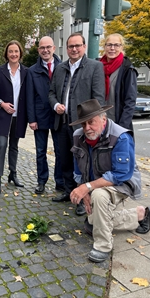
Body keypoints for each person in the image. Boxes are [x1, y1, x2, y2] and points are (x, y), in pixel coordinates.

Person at [69, 99, 150, 263]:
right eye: (83, 124)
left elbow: (121, 174)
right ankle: (140, 214)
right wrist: (83, 188)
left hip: (122, 183)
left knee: (99, 196)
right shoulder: (78, 136)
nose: (87, 128)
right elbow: (78, 169)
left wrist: (88, 187)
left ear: (103, 120)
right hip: (95, 183)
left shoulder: (121, 137)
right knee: (91, 225)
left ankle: (103, 246)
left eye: (91, 122)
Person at [48, 33, 105, 216]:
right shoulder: (60, 68)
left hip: (82, 126)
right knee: (63, 159)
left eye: (77, 46)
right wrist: (56, 104)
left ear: (84, 46)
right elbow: (51, 93)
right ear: (66, 48)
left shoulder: (95, 67)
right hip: (62, 123)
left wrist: (93, 124)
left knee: (83, 163)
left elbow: (98, 98)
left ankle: (83, 198)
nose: (74, 49)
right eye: (71, 46)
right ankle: (68, 191)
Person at [0, 40, 28, 195]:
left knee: (14, 146)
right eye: (10, 51)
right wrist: (2, 104)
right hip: (3, 115)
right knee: (2, 145)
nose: (13, 54)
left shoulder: (26, 72)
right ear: (6, 54)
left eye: (16, 51)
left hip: (20, 116)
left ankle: (13, 173)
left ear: (20, 53)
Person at [26, 36, 64, 194]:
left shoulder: (62, 67)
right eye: (42, 48)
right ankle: (41, 181)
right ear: (38, 50)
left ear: (54, 48)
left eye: (48, 47)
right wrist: (31, 119)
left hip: (58, 116)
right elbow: (29, 96)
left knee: (60, 151)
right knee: (41, 152)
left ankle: (60, 182)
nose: (45, 50)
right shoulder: (32, 70)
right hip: (40, 117)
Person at [100, 33, 138, 131]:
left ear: (121, 47)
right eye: (109, 45)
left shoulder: (127, 69)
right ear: (105, 47)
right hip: (99, 122)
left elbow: (130, 101)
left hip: (117, 122)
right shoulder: (98, 67)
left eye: (116, 45)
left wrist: (122, 128)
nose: (112, 48)